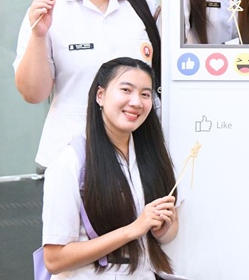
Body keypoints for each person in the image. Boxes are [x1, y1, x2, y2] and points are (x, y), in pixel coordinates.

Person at [14, 0, 162, 170]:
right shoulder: (49, 10)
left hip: (138, 154)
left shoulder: (144, 6)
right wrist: (38, 36)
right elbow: (33, 93)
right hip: (71, 157)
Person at [41, 57, 178, 278]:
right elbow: (54, 259)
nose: (136, 102)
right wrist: (132, 230)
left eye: (145, 94)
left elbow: (170, 232)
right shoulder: (71, 162)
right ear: (100, 95)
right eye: (126, 90)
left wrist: (161, 230)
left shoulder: (152, 154)